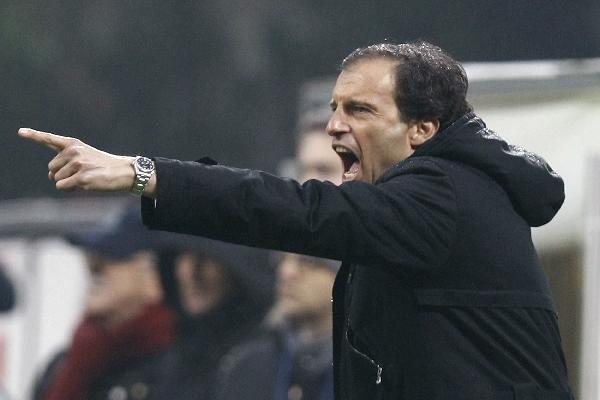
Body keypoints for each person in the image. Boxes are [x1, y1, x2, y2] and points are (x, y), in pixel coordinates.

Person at [19, 41, 573, 399]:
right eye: (335, 106)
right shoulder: (437, 196)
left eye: (359, 110)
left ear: (421, 130)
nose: (335, 125)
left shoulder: (444, 193)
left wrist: (146, 174)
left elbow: (301, 211)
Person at [215, 111, 342, 400]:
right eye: (302, 170)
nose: (308, 185)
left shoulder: (391, 358)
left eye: (324, 170)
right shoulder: (251, 366)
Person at [32, 205, 175, 400]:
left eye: (108, 260)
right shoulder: (67, 364)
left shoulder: (179, 367)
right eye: (91, 264)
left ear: (154, 275)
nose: (91, 266)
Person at [151, 235, 274, 400]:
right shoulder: (177, 351)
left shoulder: (262, 358)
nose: (189, 272)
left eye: (205, 258)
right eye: (182, 255)